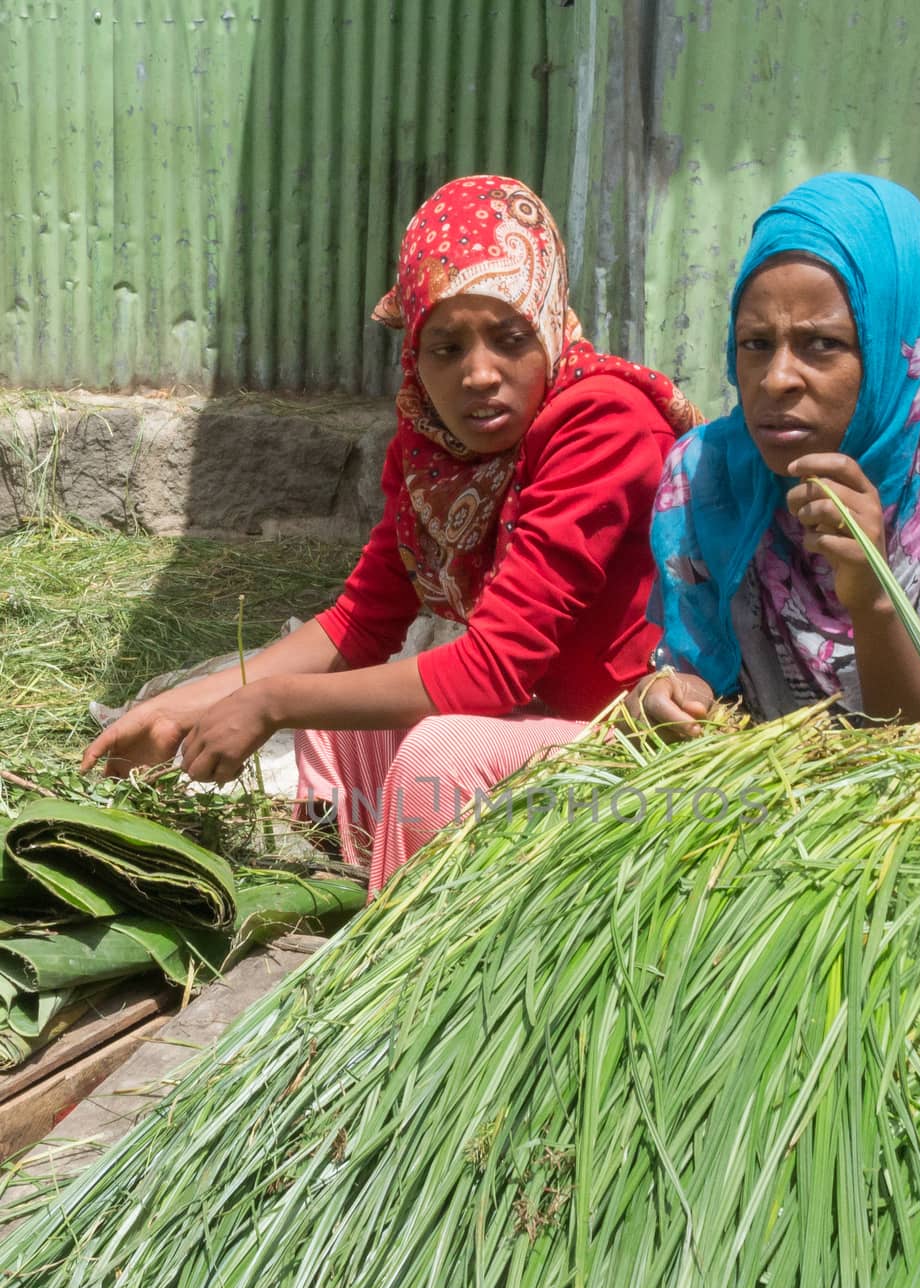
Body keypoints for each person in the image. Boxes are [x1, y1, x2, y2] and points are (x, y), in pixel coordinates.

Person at [82, 176, 701, 888]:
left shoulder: (602, 423)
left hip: (630, 741)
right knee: (331, 728)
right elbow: (359, 625)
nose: (478, 375)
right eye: (446, 348)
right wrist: (174, 710)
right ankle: (360, 866)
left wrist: (263, 701)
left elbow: (492, 673)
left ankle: (407, 949)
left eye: (509, 338)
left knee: (434, 751)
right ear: (413, 353)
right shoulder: (431, 451)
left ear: (550, 324)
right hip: (532, 721)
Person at [628, 173, 920, 742]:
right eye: (756, 344)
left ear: (895, 347)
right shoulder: (708, 477)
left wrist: (876, 601)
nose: (777, 379)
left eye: (823, 345)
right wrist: (664, 701)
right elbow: (699, 689)